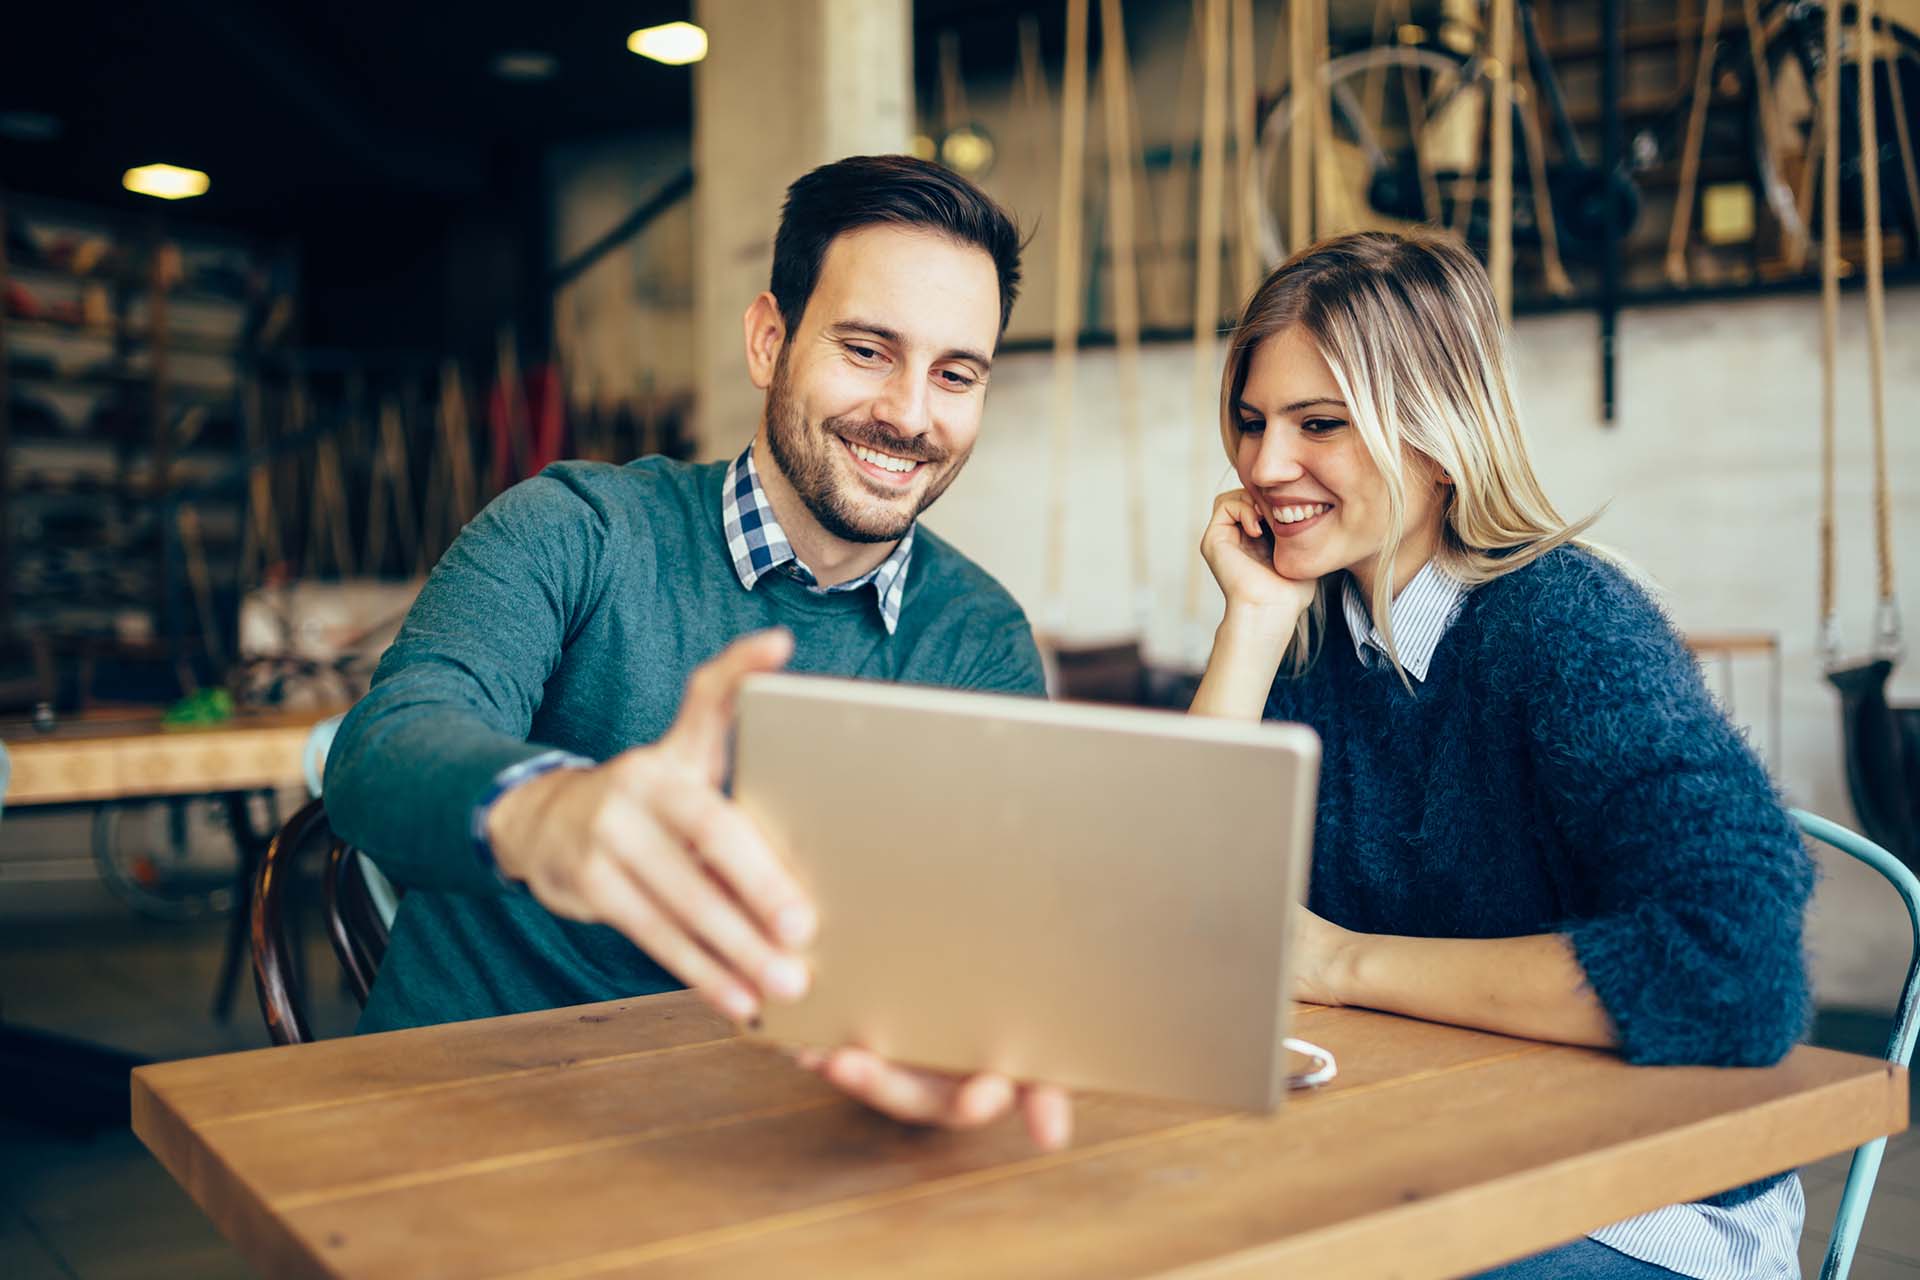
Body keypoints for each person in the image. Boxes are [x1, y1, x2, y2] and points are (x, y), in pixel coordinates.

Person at [324, 154, 1069, 1149]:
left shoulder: (979, 637)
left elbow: (979, 927)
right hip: (456, 1121)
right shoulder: (576, 526)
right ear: (771, 340)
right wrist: (550, 810)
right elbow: (381, 745)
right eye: (867, 349)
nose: (911, 412)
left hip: (766, 1144)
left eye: (956, 373)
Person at [1191, 231, 1812, 1280]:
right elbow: (1170, 930)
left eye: (1319, 424)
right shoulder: (1306, 628)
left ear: (1437, 437)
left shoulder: (1568, 624)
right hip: (1405, 1158)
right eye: (1252, 423)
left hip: (1633, 1203)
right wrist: (1250, 622)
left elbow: (1734, 972)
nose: (1262, 465)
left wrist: (1340, 961)